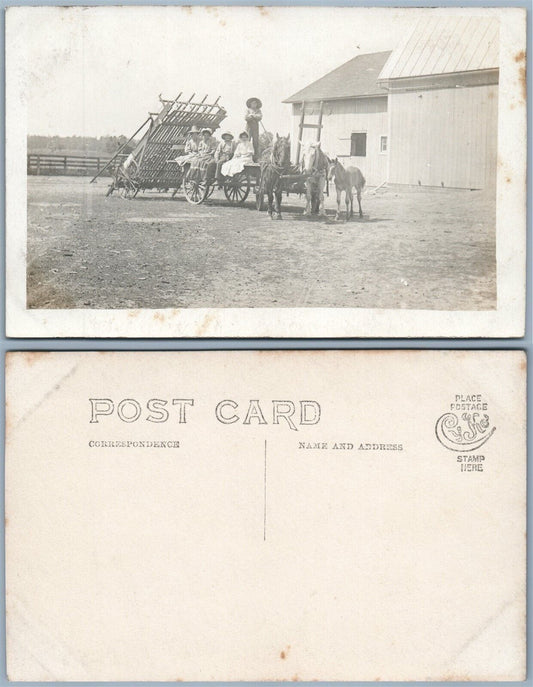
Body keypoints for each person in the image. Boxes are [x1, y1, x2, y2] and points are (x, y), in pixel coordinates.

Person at [245, 97, 262, 162]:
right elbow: (246, 117)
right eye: (253, 103)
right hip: (249, 126)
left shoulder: (258, 110)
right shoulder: (248, 110)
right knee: (247, 139)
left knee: (256, 141)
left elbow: (260, 117)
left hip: (255, 126)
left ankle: (255, 156)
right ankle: (246, 154)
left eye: (255, 103)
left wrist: (253, 116)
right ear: (250, 104)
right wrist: (251, 116)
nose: (254, 105)